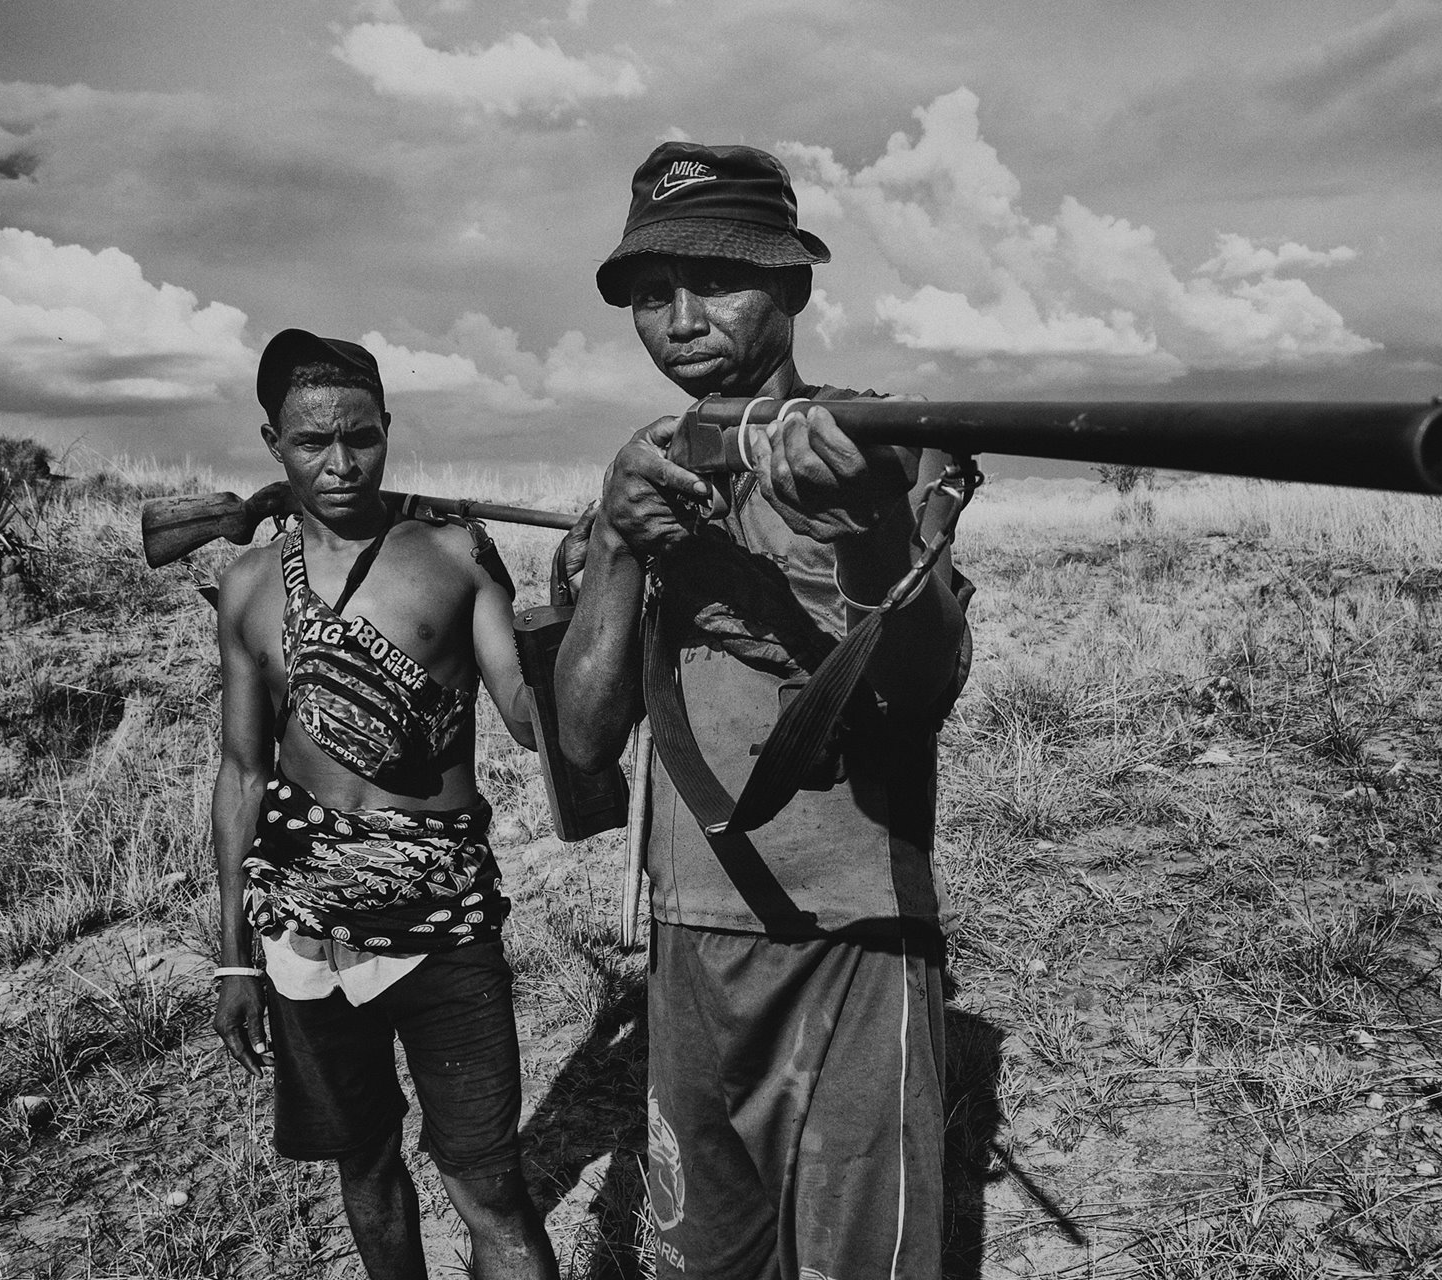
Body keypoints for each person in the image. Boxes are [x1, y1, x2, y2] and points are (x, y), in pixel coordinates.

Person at [554, 143, 970, 1280]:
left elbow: (922, 691)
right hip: (690, 930)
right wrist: (621, 542)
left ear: (794, 287)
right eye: (651, 293)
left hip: (851, 925)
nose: (682, 316)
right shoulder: (639, 471)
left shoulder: (885, 444)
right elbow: (584, 741)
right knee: (706, 1256)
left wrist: (871, 530)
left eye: (720, 281)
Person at [210, 329, 559, 1280]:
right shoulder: (248, 587)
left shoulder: (452, 557)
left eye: (361, 438)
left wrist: (589, 597)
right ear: (273, 443)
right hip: (304, 929)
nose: (340, 463)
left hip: (442, 919)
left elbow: (530, 720)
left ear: (388, 431)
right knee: (363, 1165)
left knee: (490, 1186)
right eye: (312, 443)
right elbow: (242, 774)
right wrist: (235, 961)